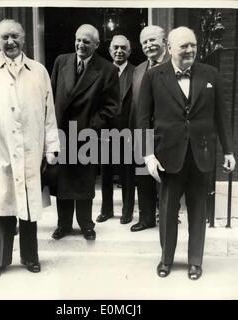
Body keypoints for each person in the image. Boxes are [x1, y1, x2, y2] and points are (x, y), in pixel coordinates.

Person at [0, 19, 60, 280]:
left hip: (30, 150)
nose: (9, 42)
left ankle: (30, 257)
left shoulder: (38, 71)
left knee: (28, 208)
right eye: (4, 37)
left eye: (14, 36)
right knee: (1, 208)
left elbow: (49, 112)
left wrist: (51, 147)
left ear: (24, 38)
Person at [137, 26, 236, 280]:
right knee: (168, 212)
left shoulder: (210, 74)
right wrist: (148, 155)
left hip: (201, 155)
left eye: (193, 44)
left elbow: (221, 115)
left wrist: (228, 150)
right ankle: (166, 259)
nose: (190, 49)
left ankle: (195, 261)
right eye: (184, 46)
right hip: (168, 157)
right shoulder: (153, 76)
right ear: (170, 48)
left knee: (198, 211)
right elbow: (142, 120)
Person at [51, 24, 119, 241]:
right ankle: (63, 225)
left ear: (97, 45)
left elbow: (111, 106)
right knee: (62, 182)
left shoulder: (107, 69)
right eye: (78, 40)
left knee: (84, 182)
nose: (81, 44)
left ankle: (86, 225)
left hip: (86, 136)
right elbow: (51, 96)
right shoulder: (61, 61)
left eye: (86, 42)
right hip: (62, 133)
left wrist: (91, 126)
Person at [128, 25, 170, 232]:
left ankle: (167, 214)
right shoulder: (138, 70)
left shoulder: (175, 65)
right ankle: (146, 218)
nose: (148, 45)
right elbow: (135, 104)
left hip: (167, 133)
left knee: (165, 175)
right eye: (144, 42)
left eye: (153, 40)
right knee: (143, 176)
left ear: (164, 42)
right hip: (142, 132)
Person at [96, 35, 135, 225]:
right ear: (110, 50)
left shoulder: (136, 73)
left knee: (127, 173)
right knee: (106, 173)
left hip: (126, 131)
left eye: (123, 48)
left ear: (129, 51)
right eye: (115, 48)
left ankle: (127, 211)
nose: (119, 51)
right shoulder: (101, 71)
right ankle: (106, 210)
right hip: (104, 131)